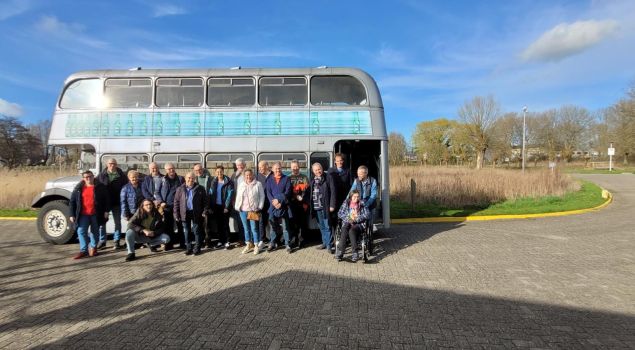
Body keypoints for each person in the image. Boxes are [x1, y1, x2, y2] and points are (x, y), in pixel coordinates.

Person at [69, 170, 109, 259]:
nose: (88, 178)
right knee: (81, 231)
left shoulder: (100, 187)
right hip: (83, 214)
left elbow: (107, 200)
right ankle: (84, 250)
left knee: (95, 232)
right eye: (86, 177)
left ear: (93, 176)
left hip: (96, 213)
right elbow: (72, 202)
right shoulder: (78, 188)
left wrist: (106, 211)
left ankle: (93, 248)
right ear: (83, 178)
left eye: (90, 176)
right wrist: (71, 214)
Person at [96, 158, 129, 250]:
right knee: (102, 222)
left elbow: (126, 187)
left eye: (114, 163)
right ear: (107, 164)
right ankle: (102, 241)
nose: (112, 165)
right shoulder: (101, 175)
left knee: (117, 222)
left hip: (117, 202)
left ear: (116, 164)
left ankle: (117, 241)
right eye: (110, 163)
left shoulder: (122, 175)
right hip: (104, 203)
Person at [174, 172, 208, 256]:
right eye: (189, 178)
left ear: (195, 179)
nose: (190, 179)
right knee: (187, 231)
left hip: (196, 213)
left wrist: (204, 211)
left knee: (197, 231)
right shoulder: (180, 189)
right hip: (184, 213)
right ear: (185, 178)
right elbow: (176, 202)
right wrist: (176, 214)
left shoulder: (200, 188)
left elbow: (205, 202)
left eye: (192, 178)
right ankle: (188, 248)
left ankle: (197, 248)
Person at [234, 169, 265, 254]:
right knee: (246, 229)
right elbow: (238, 196)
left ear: (252, 175)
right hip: (243, 210)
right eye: (246, 175)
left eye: (249, 175)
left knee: (254, 228)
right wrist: (237, 207)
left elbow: (262, 196)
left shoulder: (258, 184)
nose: (248, 177)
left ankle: (256, 245)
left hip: (253, 210)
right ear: (244, 176)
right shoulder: (241, 185)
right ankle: (248, 244)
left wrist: (259, 207)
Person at [265, 162, 293, 253]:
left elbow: (288, 192)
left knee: (286, 227)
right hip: (272, 206)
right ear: (272, 170)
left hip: (284, 206)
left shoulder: (286, 179)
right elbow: (268, 193)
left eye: (279, 168)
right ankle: (272, 243)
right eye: (276, 169)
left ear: (282, 169)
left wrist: (280, 201)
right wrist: (274, 202)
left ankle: (287, 244)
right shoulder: (269, 180)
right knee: (273, 227)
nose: (278, 170)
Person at [155, 163, 184, 250]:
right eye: (169, 169)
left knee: (180, 225)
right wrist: (161, 202)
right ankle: (169, 244)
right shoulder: (162, 179)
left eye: (172, 168)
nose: (171, 170)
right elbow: (156, 192)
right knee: (168, 227)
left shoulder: (180, 179)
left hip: (179, 206)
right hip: (167, 206)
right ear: (166, 170)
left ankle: (182, 244)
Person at [309, 162, 336, 253]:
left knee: (327, 225)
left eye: (319, 169)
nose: (318, 171)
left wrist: (332, 205)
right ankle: (325, 242)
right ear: (313, 171)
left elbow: (333, 191)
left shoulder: (328, 177)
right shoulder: (312, 180)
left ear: (322, 168)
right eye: (316, 170)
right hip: (316, 207)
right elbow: (309, 193)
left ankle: (330, 245)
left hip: (325, 206)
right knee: (321, 226)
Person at [336, 190, 369, 262]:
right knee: (344, 228)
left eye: (357, 197)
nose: (356, 198)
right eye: (354, 197)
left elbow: (367, 214)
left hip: (358, 224)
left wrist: (356, 219)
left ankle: (355, 252)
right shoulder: (346, 203)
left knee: (351, 230)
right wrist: (348, 219)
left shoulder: (362, 203)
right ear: (351, 197)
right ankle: (341, 251)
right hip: (348, 222)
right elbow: (340, 213)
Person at [209, 165, 234, 249]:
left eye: (221, 171)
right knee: (218, 224)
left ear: (223, 171)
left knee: (225, 224)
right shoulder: (213, 181)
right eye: (217, 172)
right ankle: (220, 241)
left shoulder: (228, 181)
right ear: (215, 173)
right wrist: (211, 206)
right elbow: (211, 193)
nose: (219, 173)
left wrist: (227, 207)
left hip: (225, 207)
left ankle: (227, 241)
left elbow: (230, 195)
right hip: (216, 206)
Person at [288, 159, 309, 249]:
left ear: (299, 167)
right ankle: (293, 240)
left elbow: (307, 191)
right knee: (293, 223)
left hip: (302, 204)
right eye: (293, 167)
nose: (295, 168)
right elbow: (287, 191)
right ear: (291, 168)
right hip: (292, 204)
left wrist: (305, 203)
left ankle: (301, 241)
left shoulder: (304, 177)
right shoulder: (288, 178)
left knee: (302, 224)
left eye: (296, 167)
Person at [193, 163, 213, 248]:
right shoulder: (194, 179)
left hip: (206, 204)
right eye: (196, 170)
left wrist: (210, 205)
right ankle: (199, 241)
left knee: (206, 225)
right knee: (198, 224)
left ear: (203, 169)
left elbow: (212, 191)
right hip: (197, 205)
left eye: (200, 170)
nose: (198, 171)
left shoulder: (209, 178)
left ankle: (208, 242)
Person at [230, 158, 247, 246]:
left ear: (244, 165)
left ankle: (247, 240)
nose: (240, 166)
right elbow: (231, 189)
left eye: (241, 165)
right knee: (239, 222)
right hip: (236, 202)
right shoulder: (233, 175)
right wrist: (232, 201)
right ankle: (242, 239)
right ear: (236, 166)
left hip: (246, 202)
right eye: (238, 165)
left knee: (246, 222)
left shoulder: (248, 174)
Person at [256, 160, 272, 250]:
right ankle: (262, 240)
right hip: (262, 203)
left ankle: (272, 240)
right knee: (262, 222)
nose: (259, 169)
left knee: (272, 221)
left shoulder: (273, 175)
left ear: (266, 166)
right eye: (259, 167)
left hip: (272, 203)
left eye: (261, 167)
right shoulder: (258, 176)